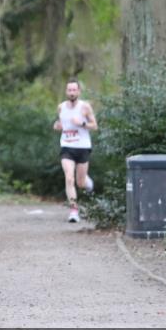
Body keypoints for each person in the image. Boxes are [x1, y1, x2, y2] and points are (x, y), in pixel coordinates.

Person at [53, 79, 97, 223]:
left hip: (83, 147)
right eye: (69, 90)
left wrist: (82, 123)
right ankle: (73, 211)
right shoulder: (61, 107)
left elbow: (94, 126)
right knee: (69, 178)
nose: (71, 93)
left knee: (80, 183)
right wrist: (57, 126)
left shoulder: (85, 107)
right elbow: (60, 123)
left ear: (78, 92)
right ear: (66, 92)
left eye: (74, 90)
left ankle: (88, 183)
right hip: (67, 146)